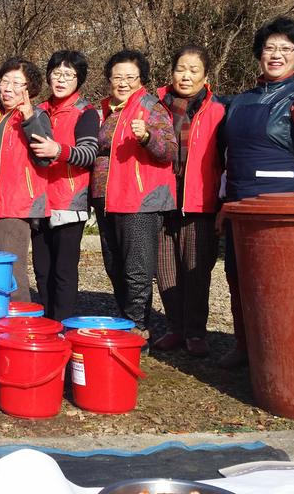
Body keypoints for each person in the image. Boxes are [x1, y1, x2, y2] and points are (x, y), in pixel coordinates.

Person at [218, 17, 294, 368]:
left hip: (285, 205)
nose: (276, 55)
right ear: (259, 53)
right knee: (238, 276)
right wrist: (224, 203)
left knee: (283, 281)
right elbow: (228, 158)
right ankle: (244, 345)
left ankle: (287, 350)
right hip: (241, 204)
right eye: (270, 47)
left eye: (285, 49)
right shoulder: (239, 101)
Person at [91, 50, 177, 343]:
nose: (123, 82)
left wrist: (146, 137)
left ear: (141, 79)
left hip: (138, 199)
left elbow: (170, 151)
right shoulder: (103, 108)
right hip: (105, 200)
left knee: (137, 267)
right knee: (114, 265)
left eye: (130, 77)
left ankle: (137, 329)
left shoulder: (150, 106)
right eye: (118, 77)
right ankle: (125, 322)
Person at [151, 46, 226, 358]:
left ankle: (196, 332)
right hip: (163, 199)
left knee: (196, 270)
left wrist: (223, 202)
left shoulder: (217, 111)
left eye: (194, 70)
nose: (186, 75)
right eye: (181, 68)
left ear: (206, 76)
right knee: (166, 268)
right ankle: (174, 328)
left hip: (199, 201)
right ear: (172, 72)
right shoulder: (156, 106)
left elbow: (224, 159)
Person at [0, 57, 52, 302]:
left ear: (30, 89)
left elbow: (44, 158)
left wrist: (29, 118)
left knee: (11, 274)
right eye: (5, 81)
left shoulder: (37, 116)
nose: (8, 88)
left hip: (13, 206)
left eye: (17, 83)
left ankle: (20, 331)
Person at [29, 50, 100, 321]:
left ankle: (62, 324)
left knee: (64, 270)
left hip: (70, 201)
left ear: (78, 80)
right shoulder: (37, 111)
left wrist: (58, 150)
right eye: (56, 73)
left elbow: (89, 153)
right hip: (38, 200)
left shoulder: (86, 112)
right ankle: (47, 323)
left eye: (69, 75)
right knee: (41, 269)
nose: (61, 79)